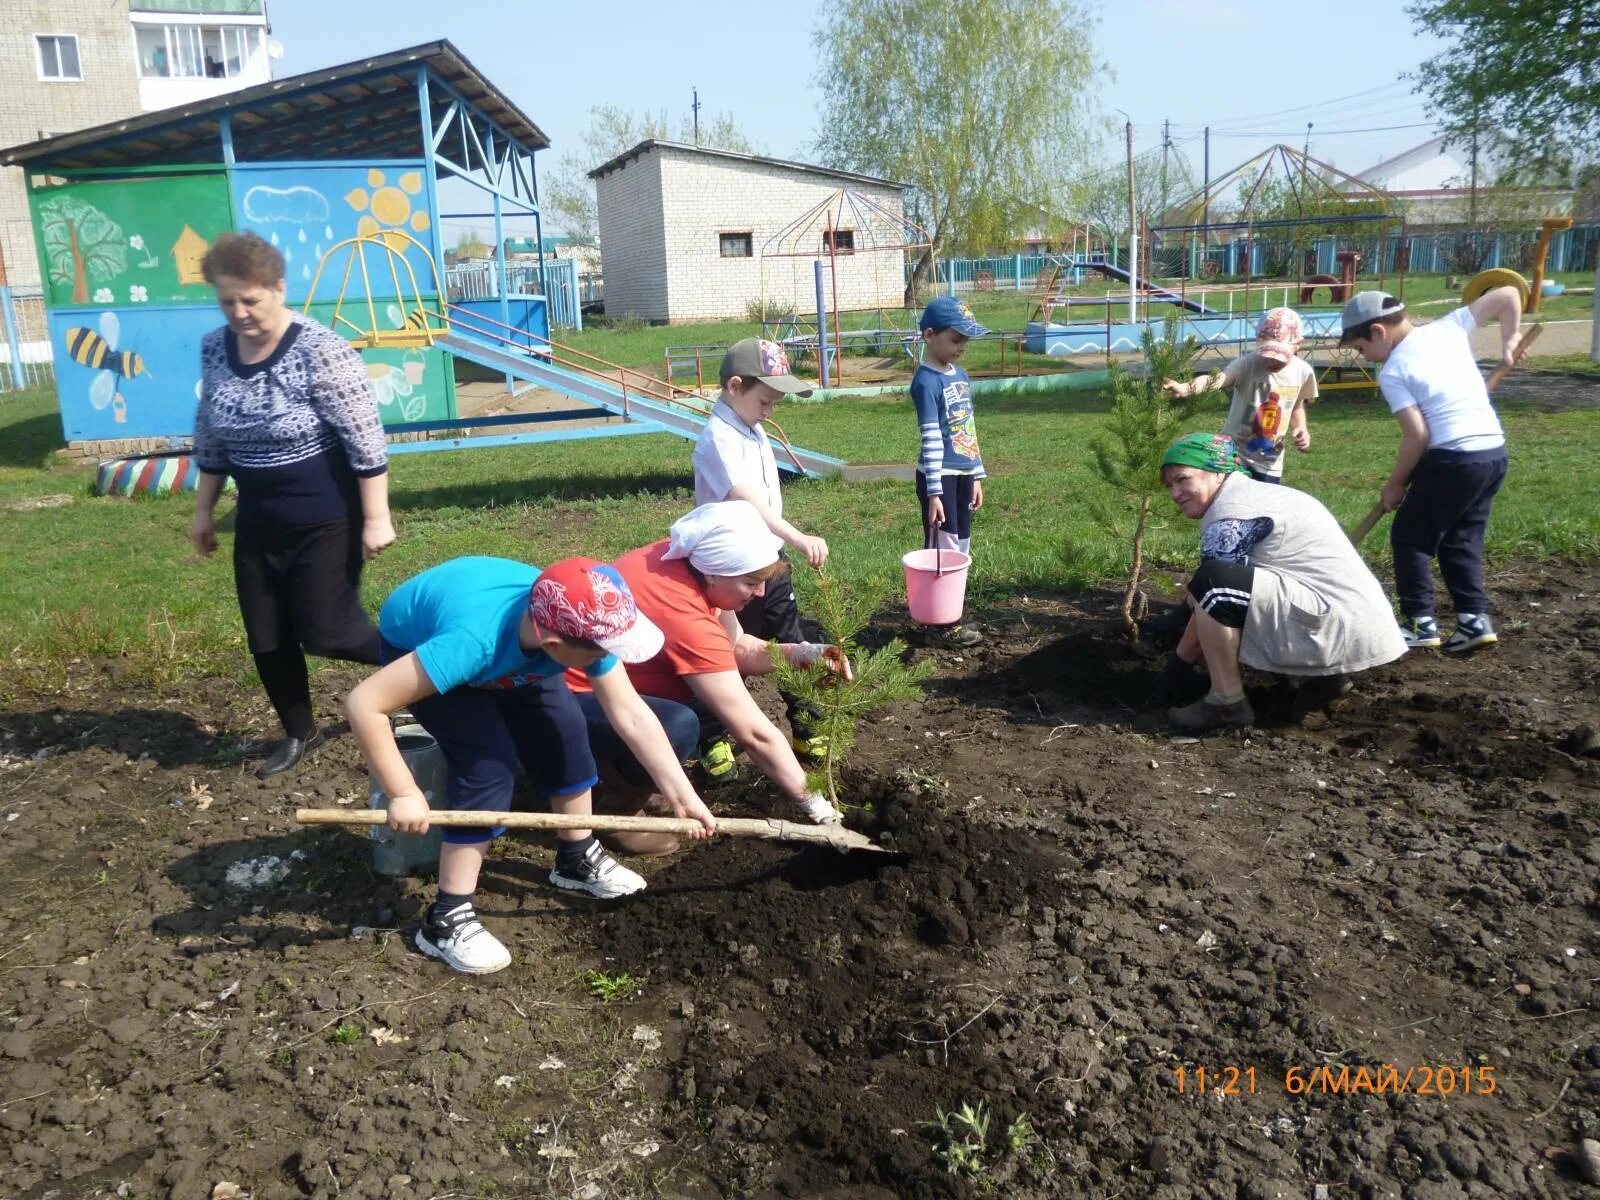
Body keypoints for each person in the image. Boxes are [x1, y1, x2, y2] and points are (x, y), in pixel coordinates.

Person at [346, 556, 717, 975]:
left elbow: (630, 713)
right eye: (604, 650)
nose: (610, 657)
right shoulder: (472, 642)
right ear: (556, 647)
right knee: (488, 765)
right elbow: (365, 704)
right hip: (424, 642)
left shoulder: (580, 624)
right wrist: (404, 792)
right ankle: (445, 918)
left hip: (510, 654)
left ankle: (577, 857)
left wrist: (682, 794)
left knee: (566, 732)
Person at [190, 231, 394, 778]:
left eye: (249, 299)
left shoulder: (321, 349)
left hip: (325, 517)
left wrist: (376, 518)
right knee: (268, 636)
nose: (238, 312)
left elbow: (366, 439)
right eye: (227, 301)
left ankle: (424, 672)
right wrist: (204, 511)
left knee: (330, 632)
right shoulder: (215, 347)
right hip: (256, 519)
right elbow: (210, 434)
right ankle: (297, 732)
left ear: (278, 289)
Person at [567, 501, 849, 830]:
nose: (759, 593)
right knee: (679, 726)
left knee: (704, 692)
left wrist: (802, 653)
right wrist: (814, 803)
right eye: (750, 583)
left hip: (611, 683)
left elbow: (736, 647)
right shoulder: (682, 613)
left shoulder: (686, 561)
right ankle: (616, 807)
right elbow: (754, 735)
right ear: (716, 573)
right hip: (573, 697)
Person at [1153, 432, 1407, 732]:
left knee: (1214, 581)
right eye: (1169, 485)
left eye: (1183, 479)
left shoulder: (1231, 515)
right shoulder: (1259, 494)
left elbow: (1210, 596)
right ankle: (1327, 678)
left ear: (1218, 472)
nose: (1175, 493)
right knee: (1224, 584)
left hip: (1335, 625)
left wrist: (1175, 669)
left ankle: (1226, 703)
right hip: (1360, 623)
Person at [1338, 287, 1523, 653]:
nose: (1367, 358)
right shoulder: (1449, 326)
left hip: (1452, 457)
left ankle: (1420, 623)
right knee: (1461, 540)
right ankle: (1473, 620)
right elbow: (1508, 293)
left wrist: (1394, 484)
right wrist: (1510, 338)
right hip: (1491, 454)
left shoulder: (1394, 370)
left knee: (1411, 538)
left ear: (1378, 331)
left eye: (1361, 349)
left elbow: (1417, 435)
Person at [690, 337, 828, 781]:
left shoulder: (752, 426)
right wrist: (799, 536)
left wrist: (783, 546)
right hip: (730, 571)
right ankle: (712, 738)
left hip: (769, 559)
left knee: (789, 638)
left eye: (775, 401)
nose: (770, 409)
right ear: (734, 386)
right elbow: (749, 502)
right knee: (724, 653)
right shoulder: (718, 438)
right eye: (765, 399)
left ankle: (806, 726)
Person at [1162, 306, 1318, 484]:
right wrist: (1186, 388)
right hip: (1233, 455)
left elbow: (1296, 404)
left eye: (1280, 355)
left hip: (1269, 462)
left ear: (1299, 345)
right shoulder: (1247, 365)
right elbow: (1219, 379)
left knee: (1261, 507)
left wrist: (1301, 429)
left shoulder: (1303, 372)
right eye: (1267, 352)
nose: (1272, 359)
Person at [912, 294, 989, 648]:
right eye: (956, 339)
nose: (961, 348)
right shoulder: (926, 381)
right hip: (938, 477)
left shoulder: (960, 375)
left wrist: (975, 474)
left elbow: (966, 429)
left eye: (965, 341)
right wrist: (933, 492)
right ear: (930, 335)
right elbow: (931, 436)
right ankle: (937, 624)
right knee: (941, 550)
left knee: (961, 545)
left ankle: (952, 612)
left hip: (961, 476)